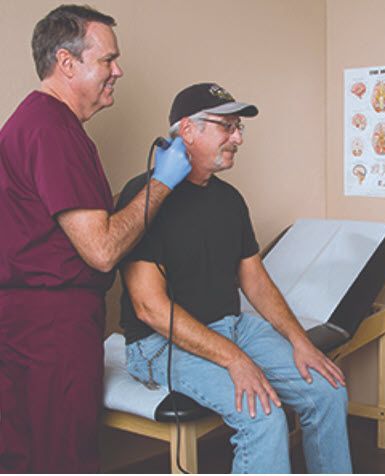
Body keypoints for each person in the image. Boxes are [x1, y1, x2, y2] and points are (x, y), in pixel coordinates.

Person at [116, 82, 352, 473]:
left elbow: (255, 280)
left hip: (232, 327)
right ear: (187, 130)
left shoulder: (228, 199)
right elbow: (150, 308)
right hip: (160, 342)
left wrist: (301, 342)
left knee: (327, 389)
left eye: (239, 127)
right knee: (262, 416)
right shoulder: (144, 197)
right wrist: (235, 360)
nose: (238, 138)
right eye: (227, 126)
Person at [0, 5, 190, 473]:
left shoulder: (38, 123)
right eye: (107, 60)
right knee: (60, 457)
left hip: (33, 328)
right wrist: (162, 183)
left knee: (29, 453)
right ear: (67, 63)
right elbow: (102, 251)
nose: (117, 70)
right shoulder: (51, 129)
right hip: (51, 334)